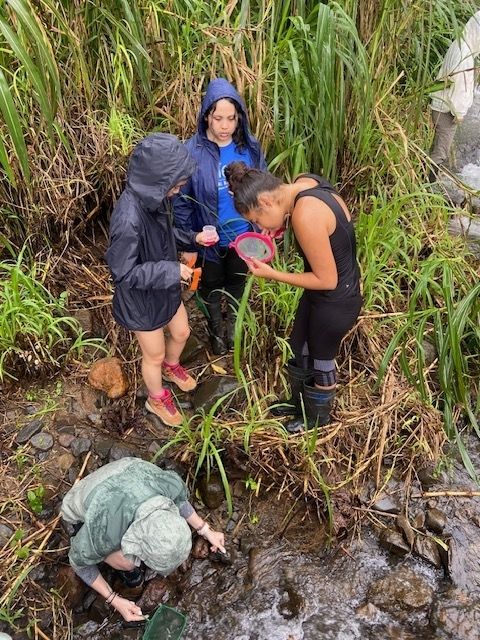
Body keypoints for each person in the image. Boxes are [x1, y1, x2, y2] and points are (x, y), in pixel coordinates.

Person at [224, 162, 362, 434]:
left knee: (322, 361)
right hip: (321, 294)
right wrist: (280, 224)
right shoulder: (304, 183)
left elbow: (327, 279)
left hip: (337, 299)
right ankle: (299, 403)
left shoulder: (304, 214)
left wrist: (272, 274)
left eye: (257, 219)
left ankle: (317, 421)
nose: (259, 226)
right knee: (299, 347)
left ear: (265, 201)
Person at [105, 133, 219, 426]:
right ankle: (157, 398)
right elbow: (123, 273)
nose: (180, 189)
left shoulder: (156, 199)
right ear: (158, 180)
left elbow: (167, 236)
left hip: (163, 287)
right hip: (141, 299)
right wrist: (171, 271)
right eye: (177, 184)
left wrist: (194, 238)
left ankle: (172, 367)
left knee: (181, 332)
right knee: (152, 354)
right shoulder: (128, 219)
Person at [60, 458, 225, 622]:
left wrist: (206, 531)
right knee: (127, 562)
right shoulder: (106, 530)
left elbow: (179, 501)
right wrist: (114, 599)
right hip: (85, 503)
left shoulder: (171, 486)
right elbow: (79, 562)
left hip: (127, 470)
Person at [174, 78, 267, 355]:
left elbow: (262, 191)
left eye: (231, 118)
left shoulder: (249, 148)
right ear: (206, 117)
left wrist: (261, 229)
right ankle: (216, 331)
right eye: (218, 118)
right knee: (211, 286)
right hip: (208, 239)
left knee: (238, 284)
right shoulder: (191, 151)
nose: (225, 126)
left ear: (239, 118)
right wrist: (191, 240)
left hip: (243, 236)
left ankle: (235, 331)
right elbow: (181, 201)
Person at [429, 10, 480, 179]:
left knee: (436, 149)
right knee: (440, 153)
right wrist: (459, 114)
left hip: (440, 105)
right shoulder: (465, 54)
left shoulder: (459, 44)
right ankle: (426, 188)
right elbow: (459, 87)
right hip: (446, 111)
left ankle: (423, 180)